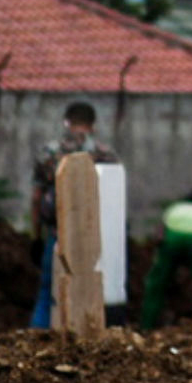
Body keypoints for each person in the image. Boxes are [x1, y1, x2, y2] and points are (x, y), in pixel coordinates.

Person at [28, 101, 120, 328]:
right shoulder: (105, 154)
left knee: (48, 293)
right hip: (96, 236)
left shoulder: (50, 152)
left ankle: (34, 344)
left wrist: (35, 235)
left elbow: (37, 197)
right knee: (94, 292)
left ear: (66, 122)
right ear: (93, 125)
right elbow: (114, 197)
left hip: (59, 232)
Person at [141, 188, 192, 329]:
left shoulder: (175, 209)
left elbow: (160, 233)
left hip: (173, 238)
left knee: (156, 286)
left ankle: (146, 325)